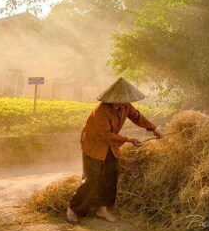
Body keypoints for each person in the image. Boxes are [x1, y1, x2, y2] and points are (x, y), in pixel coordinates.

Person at [66, 77, 161, 223]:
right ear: (114, 98)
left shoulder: (126, 106)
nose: (124, 102)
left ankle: (102, 210)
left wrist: (153, 129)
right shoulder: (101, 111)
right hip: (94, 145)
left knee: (110, 176)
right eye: (121, 99)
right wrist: (128, 139)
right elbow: (106, 135)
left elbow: (137, 117)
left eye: (125, 99)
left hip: (111, 146)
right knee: (92, 178)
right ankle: (74, 208)